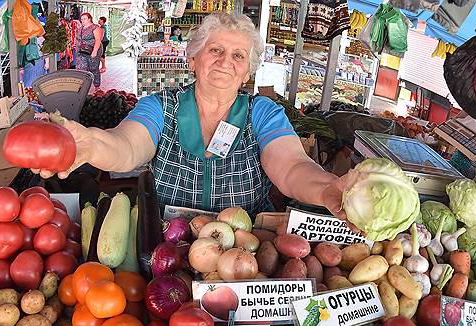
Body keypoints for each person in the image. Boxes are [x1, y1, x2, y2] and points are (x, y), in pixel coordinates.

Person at [36, 12, 347, 216]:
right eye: (216, 50)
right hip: (170, 249)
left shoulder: (262, 113)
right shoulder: (161, 107)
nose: (226, 61)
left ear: (247, 72)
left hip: (243, 252)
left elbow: (292, 167)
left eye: (238, 56)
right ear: (194, 60)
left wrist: (327, 188)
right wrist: (91, 144)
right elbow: (126, 146)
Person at [75, 13, 103, 88]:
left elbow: (98, 40)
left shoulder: (95, 27)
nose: (82, 21)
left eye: (84, 19)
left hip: (93, 50)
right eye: (81, 19)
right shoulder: (80, 28)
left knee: (93, 68)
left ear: (89, 19)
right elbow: (77, 39)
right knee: (81, 68)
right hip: (82, 51)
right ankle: (82, 87)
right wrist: (76, 48)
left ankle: (97, 86)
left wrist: (95, 51)